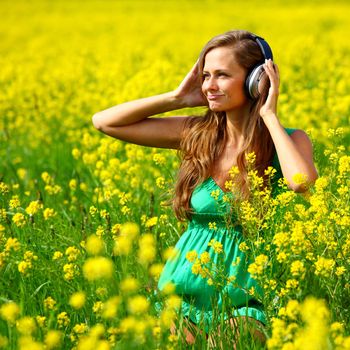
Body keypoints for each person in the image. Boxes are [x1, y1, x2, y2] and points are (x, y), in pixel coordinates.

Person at [92, 29, 318, 347]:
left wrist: (268, 113)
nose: (209, 85)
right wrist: (177, 98)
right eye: (206, 75)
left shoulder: (289, 141)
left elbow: (301, 181)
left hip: (244, 298)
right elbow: (104, 122)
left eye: (222, 75)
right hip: (183, 292)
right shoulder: (198, 133)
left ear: (257, 80)